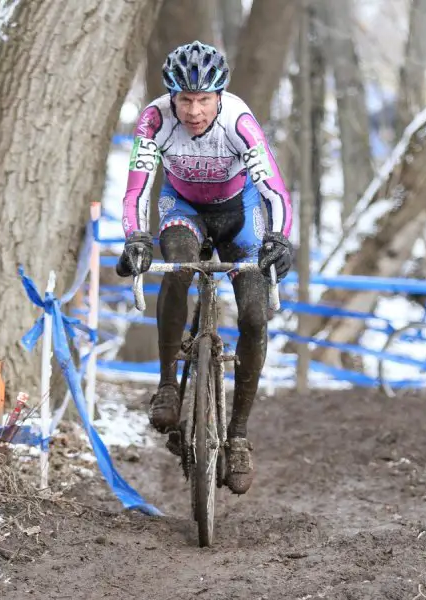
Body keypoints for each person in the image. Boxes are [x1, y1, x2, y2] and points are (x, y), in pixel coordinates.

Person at [116, 41, 293, 495]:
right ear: (171, 97)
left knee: (254, 316)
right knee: (177, 267)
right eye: (185, 100)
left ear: (220, 96)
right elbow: (136, 189)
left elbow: (274, 189)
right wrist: (136, 238)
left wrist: (278, 237)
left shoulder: (239, 122)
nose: (193, 111)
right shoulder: (155, 120)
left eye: (204, 100)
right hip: (183, 209)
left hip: (240, 216)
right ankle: (167, 386)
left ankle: (237, 437)